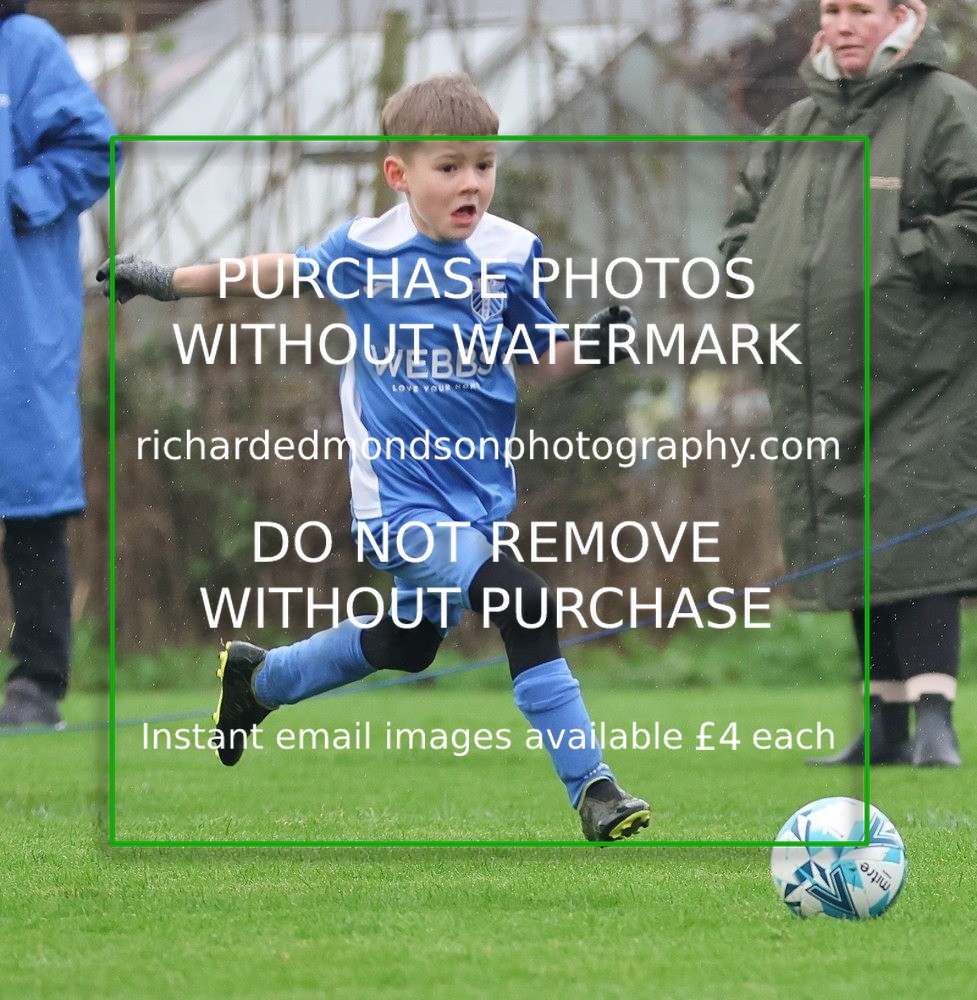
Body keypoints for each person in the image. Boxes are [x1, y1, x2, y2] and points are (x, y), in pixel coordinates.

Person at [98, 74, 650, 841]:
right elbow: (272, 270)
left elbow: (540, 357)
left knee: (409, 644)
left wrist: (590, 345)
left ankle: (260, 680)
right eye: (448, 167)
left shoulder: (512, 251)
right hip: (399, 503)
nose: (471, 183)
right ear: (399, 173)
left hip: (475, 501)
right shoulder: (366, 250)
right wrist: (166, 281)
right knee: (524, 602)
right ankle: (593, 787)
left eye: (483, 165)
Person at [720, 0, 977, 767]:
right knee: (854, 541)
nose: (841, 23)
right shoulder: (796, 125)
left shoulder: (946, 108)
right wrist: (764, 271)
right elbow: (739, 232)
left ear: (903, 18)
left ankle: (935, 719)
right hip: (819, 383)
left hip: (924, 377)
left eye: (860, 9)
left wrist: (895, 259)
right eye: (832, 9)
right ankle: (885, 722)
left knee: (917, 533)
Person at [0, 2, 119, 727]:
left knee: (32, 503)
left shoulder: (25, 46)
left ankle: (38, 683)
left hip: (17, 322)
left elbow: (94, 148)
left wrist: (17, 197)